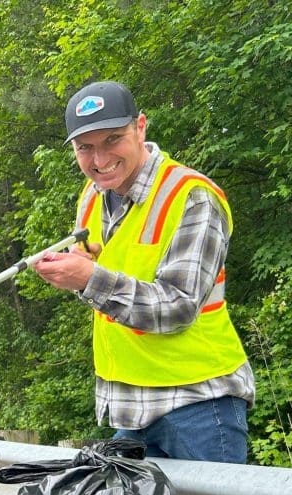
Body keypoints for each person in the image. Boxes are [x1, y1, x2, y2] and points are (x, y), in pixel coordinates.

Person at [33, 80, 255, 463]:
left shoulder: (192, 196)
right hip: (132, 408)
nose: (99, 160)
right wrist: (83, 272)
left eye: (112, 140)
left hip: (199, 403)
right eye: (85, 148)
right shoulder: (92, 198)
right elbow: (115, 287)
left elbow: (178, 306)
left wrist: (88, 278)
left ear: (140, 127)